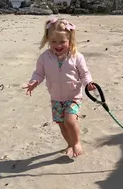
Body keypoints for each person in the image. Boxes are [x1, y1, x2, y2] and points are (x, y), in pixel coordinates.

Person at [23, 17, 96, 158]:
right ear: (48, 40)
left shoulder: (77, 56)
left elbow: (84, 73)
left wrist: (88, 83)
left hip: (73, 97)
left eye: (62, 42)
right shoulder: (44, 57)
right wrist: (34, 82)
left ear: (70, 40)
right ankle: (69, 144)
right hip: (56, 98)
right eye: (53, 42)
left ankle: (76, 142)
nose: (58, 45)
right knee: (62, 124)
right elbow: (39, 73)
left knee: (70, 121)